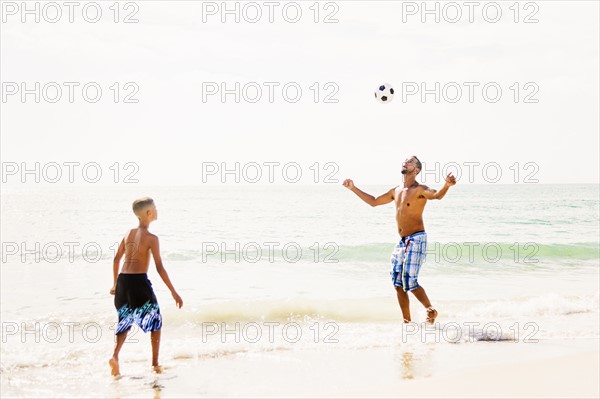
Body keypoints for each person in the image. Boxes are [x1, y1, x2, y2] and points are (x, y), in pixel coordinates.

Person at [343, 156, 456, 324]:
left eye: (410, 161)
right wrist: (353, 188)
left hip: (417, 238)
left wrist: (446, 185)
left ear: (417, 170)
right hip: (403, 241)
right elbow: (374, 202)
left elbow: (437, 195)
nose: (406, 162)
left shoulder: (419, 189)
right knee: (397, 282)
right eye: (405, 160)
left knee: (410, 281)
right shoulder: (396, 190)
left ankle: (430, 311)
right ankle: (407, 323)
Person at [108, 197, 183, 376]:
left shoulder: (128, 233)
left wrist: (115, 283)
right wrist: (174, 292)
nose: (157, 210)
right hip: (138, 282)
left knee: (124, 321)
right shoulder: (152, 238)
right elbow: (159, 267)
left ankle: (115, 356)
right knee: (156, 323)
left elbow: (117, 259)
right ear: (149, 213)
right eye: (155, 208)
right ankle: (155, 364)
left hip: (123, 281)